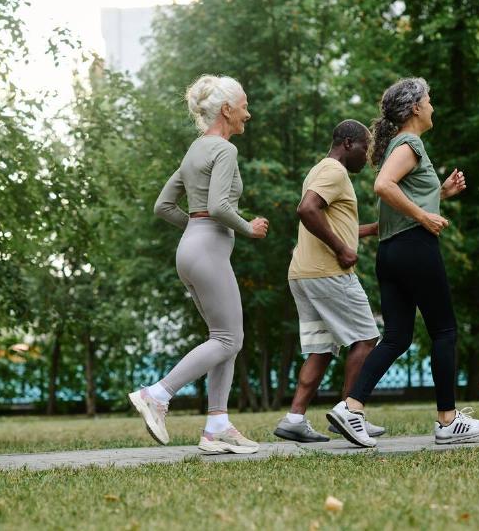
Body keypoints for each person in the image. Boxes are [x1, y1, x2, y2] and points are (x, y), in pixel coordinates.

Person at [326, 78, 479, 447]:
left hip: (392, 252)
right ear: (415, 107)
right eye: (429, 99)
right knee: (445, 331)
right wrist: (424, 217)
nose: (432, 105)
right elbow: (384, 185)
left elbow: (399, 197)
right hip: (415, 247)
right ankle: (447, 420)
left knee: (397, 336)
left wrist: (439, 194)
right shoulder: (410, 142)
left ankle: (351, 408)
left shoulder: (400, 147)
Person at [128, 75, 269, 454]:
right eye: (243, 106)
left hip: (191, 248)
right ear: (226, 110)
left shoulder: (195, 150)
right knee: (228, 339)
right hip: (207, 248)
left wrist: (195, 226)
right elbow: (222, 207)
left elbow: (163, 206)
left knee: (224, 340)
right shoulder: (224, 151)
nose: (247, 113)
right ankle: (157, 394)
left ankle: (217, 426)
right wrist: (249, 227)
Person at [274, 119, 385, 443]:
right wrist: (341, 250)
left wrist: (370, 230)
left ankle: (294, 418)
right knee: (366, 339)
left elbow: (331, 222)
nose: (368, 156)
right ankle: (350, 414)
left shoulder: (320, 170)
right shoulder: (334, 171)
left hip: (304, 273)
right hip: (328, 272)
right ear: (348, 144)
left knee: (321, 349)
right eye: (366, 148)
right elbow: (307, 210)